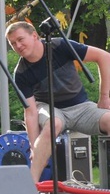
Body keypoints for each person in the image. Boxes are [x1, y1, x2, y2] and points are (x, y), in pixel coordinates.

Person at [6, 21, 110, 183]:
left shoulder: (60, 46)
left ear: (34, 36)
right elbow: (31, 111)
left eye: (20, 39)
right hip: (49, 108)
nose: (17, 45)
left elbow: (104, 57)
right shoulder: (20, 73)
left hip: (81, 107)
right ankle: (31, 186)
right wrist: (34, 145)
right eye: (12, 43)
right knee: (54, 124)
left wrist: (104, 96)